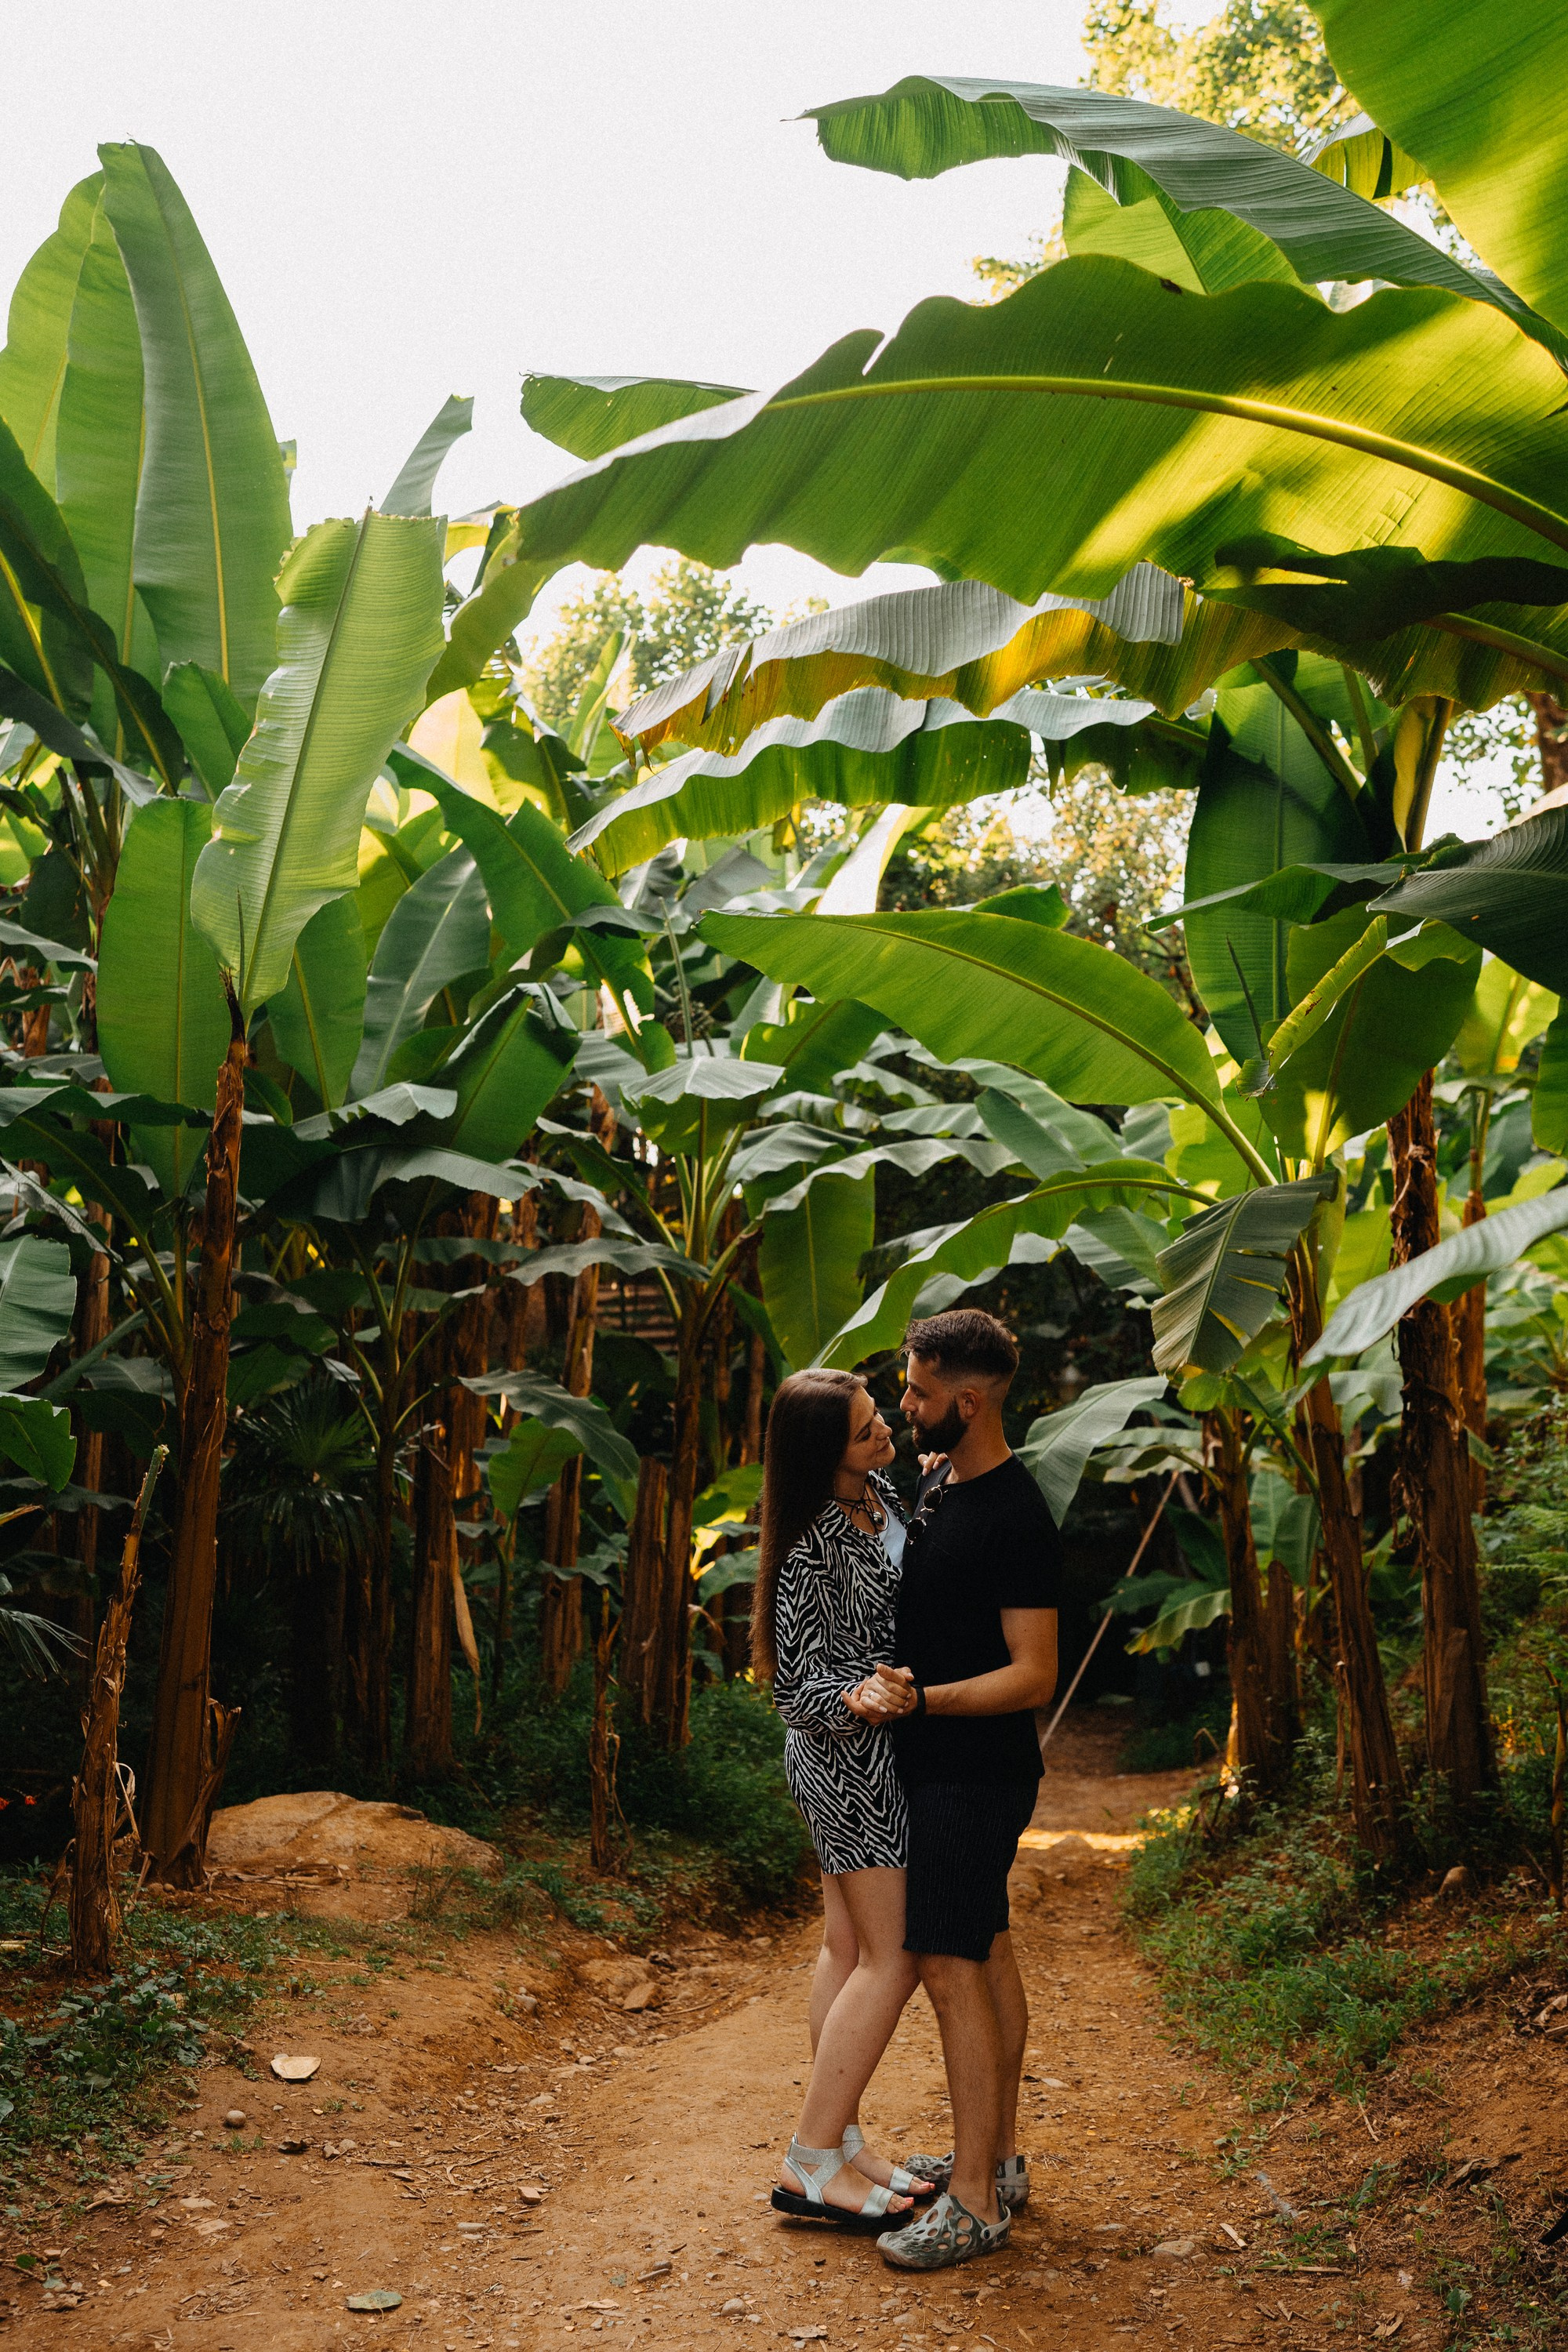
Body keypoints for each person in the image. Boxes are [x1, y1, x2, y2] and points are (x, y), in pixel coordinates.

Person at [859, 1308, 1062, 2273]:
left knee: (949, 1967)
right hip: (940, 1764)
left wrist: (923, 1702)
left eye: (917, 1393)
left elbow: (1033, 1675)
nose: (904, 1407)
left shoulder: (1014, 1515)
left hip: (971, 1775)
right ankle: (1001, 2160)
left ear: (966, 1402)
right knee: (986, 1949)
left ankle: (975, 2202)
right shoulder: (938, 1482)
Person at [752, 1369, 935, 2231]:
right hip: (843, 1761)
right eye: (865, 1432)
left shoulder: (880, 1494)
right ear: (822, 1452)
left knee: (845, 1942)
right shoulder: (807, 1543)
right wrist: (857, 1697)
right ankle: (809, 2159)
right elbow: (794, 1685)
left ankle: (843, 2141)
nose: (884, 1434)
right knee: (891, 1957)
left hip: (873, 1754)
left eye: (878, 1421)